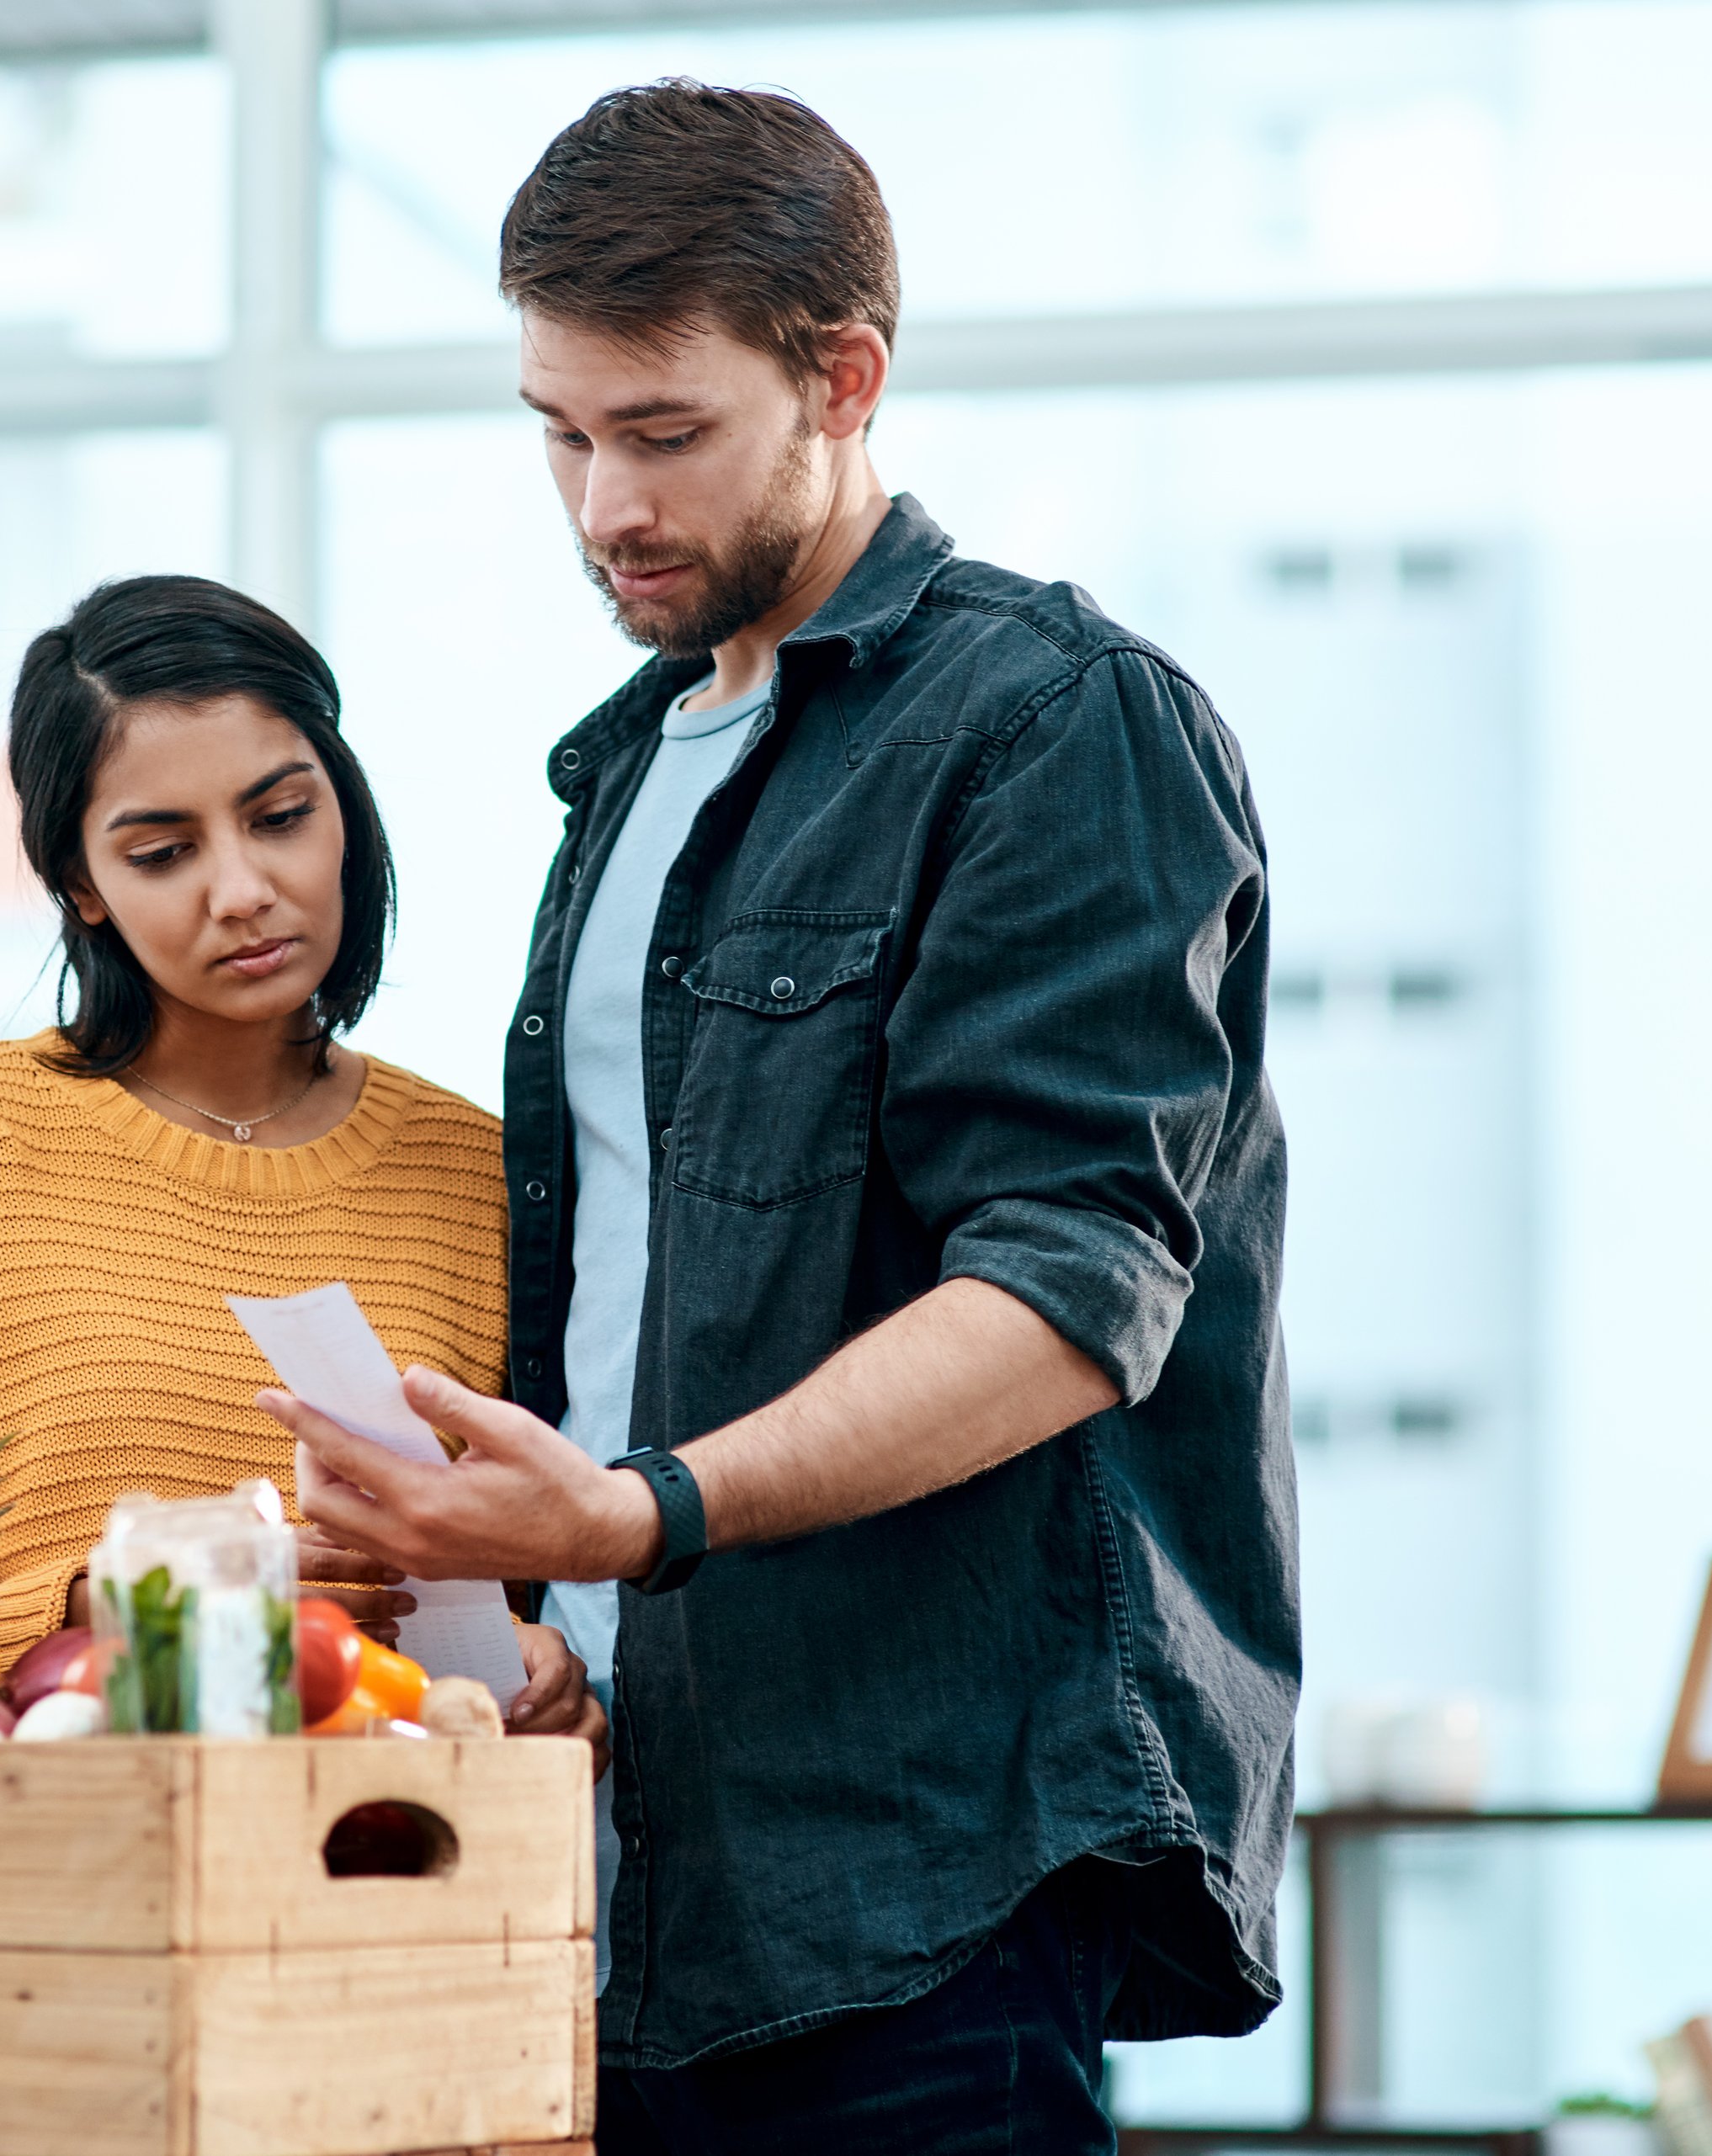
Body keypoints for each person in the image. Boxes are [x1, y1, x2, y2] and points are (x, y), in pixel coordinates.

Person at [259, 82, 1295, 2153]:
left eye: (663, 437)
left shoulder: (1052, 723)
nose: (600, 507)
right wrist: (531, 1616)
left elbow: (1070, 1297)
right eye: (559, 434)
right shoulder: (633, 768)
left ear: (847, 376)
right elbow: (650, 1293)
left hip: (925, 1880)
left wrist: (632, 1518)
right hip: (634, 1869)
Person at [0, 574, 603, 1760]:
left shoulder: (488, 1178)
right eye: (162, 850)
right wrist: (128, 1601)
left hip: (394, 1888)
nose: (242, 891)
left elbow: (565, 1577)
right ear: (80, 882)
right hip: (54, 1891)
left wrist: (554, 1670)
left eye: (282, 815)